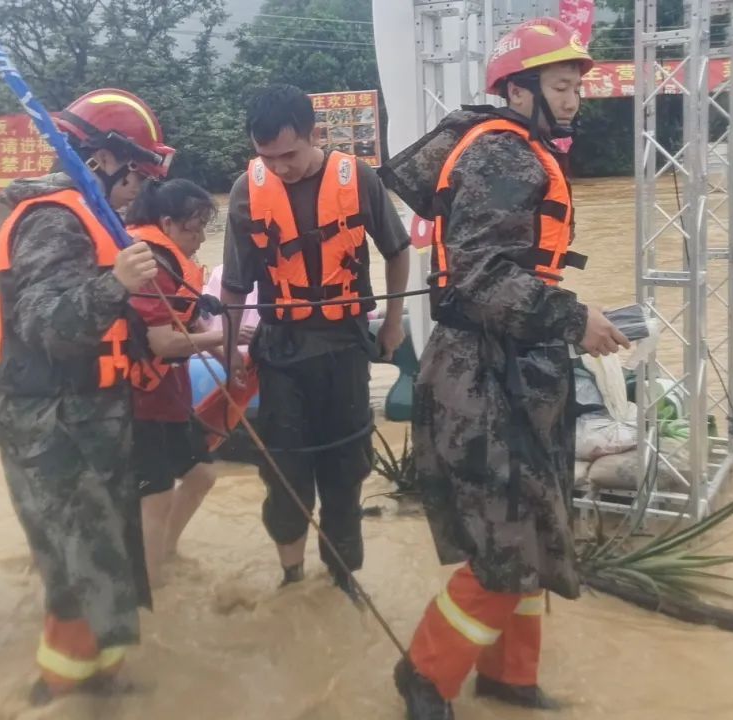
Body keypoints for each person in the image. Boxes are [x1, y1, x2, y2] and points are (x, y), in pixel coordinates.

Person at [377, 18, 630, 719]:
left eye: (576, 86)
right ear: (517, 91)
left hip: (517, 365)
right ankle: (424, 675)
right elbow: (482, 276)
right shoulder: (504, 156)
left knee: (536, 528)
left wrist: (564, 321)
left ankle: (508, 678)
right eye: (560, 85)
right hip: (484, 374)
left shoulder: (520, 151)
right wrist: (574, 319)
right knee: (509, 536)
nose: (573, 98)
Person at [0, 88, 169, 705]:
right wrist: (116, 284)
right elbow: (43, 324)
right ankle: (62, 693)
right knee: (75, 571)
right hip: (53, 427)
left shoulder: (93, 216)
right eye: (136, 172)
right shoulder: (53, 220)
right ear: (100, 160)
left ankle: (105, 682)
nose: (138, 188)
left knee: (102, 561)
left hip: (91, 421)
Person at [219, 84, 411, 600]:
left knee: (346, 472)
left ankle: (342, 577)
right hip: (281, 352)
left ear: (313, 134)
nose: (280, 167)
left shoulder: (358, 178)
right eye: (267, 157)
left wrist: (392, 322)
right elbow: (234, 285)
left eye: (290, 154)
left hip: (345, 348)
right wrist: (231, 351)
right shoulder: (245, 191)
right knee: (284, 473)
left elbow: (397, 250)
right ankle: (292, 577)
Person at [125, 179, 225, 588]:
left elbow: (190, 318)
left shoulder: (173, 264)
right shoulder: (148, 266)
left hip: (171, 394)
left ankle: (164, 552)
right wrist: (221, 339)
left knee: (201, 475)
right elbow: (163, 342)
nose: (200, 239)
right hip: (139, 401)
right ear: (166, 223)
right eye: (194, 229)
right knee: (156, 495)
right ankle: (151, 592)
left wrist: (229, 358)